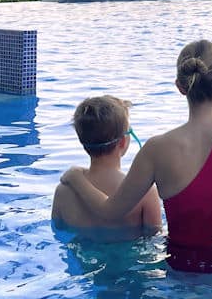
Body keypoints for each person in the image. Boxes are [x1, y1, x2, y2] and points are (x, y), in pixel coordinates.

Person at [60, 39, 212, 273]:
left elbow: (110, 211)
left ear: (180, 86)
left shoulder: (155, 149)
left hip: (181, 269)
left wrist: (75, 177)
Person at [52, 95, 162, 231]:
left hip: (83, 251)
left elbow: (58, 231)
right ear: (122, 142)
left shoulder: (63, 192)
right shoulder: (145, 193)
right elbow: (155, 237)